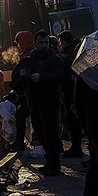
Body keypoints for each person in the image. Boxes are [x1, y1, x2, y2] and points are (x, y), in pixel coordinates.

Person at [25, 30, 64, 176]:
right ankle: (49, 162)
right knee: (41, 132)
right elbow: (26, 74)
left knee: (51, 134)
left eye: (46, 42)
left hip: (50, 101)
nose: (44, 45)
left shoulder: (54, 59)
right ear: (35, 44)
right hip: (35, 101)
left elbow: (60, 75)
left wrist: (42, 77)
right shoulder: (32, 59)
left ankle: (54, 165)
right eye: (41, 43)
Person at [57, 30, 83, 158]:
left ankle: (76, 147)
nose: (59, 45)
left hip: (71, 92)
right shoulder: (78, 51)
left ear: (64, 42)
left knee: (73, 121)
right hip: (76, 91)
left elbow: (66, 75)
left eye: (60, 42)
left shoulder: (68, 56)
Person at [10, 30, 34, 152]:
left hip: (28, 94)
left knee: (21, 116)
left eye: (19, 42)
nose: (18, 45)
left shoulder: (28, 56)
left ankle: (20, 142)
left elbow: (23, 75)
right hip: (27, 93)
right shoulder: (28, 53)